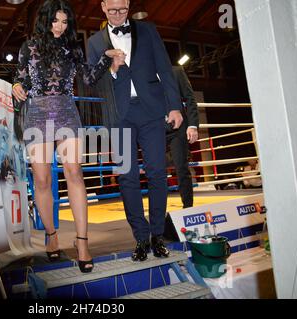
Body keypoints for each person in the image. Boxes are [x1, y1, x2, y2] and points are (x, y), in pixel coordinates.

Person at [12, 0, 124, 273]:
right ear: (46, 20)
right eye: (55, 21)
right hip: (37, 112)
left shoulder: (72, 47)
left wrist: (108, 61)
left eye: (64, 21)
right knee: (41, 178)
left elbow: (87, 77)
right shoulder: (29, 46)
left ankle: (82, 242)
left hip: (66, 111)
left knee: (74, 172)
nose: (60, 26)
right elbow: (21, 77)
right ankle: (51, 235)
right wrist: (16, 84)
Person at [88, 0, 183, 261]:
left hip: (152, 111)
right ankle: (140, 239)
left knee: (157, 173)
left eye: (123, 10)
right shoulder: (95, 42)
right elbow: (91, 84)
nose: (118, 16)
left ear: (128, 5)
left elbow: (165, 68)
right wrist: (113, 70)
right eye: (112, 11)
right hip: (119, 116)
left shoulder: (148, 30)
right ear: (103, 7)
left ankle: (157, 235)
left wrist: (175, 106)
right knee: (127, 177)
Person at [167, 66, 199, 208]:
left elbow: (190, 98)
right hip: (153, 127)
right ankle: (158, 215)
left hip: (178, 127)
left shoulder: (175, 71)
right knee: (154, 169)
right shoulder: (143, 72)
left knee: (181, 167)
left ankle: (188, 208)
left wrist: (193, 125)